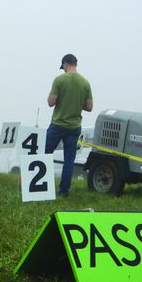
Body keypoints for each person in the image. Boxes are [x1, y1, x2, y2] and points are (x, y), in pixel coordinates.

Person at [44, 53, 93, 197]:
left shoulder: (59, 80)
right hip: (74, 127)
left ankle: (42, 186)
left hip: (58, 124)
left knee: (44, 154)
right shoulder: (85, 83)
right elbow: (89, 107)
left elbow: (51, 102)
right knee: (69, 160)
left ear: (65, 64)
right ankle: (64, 191)